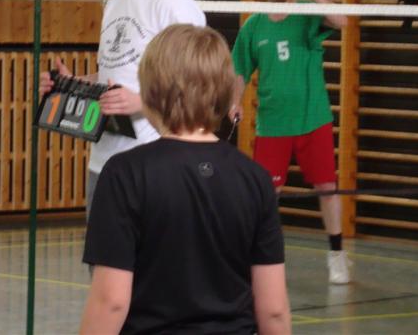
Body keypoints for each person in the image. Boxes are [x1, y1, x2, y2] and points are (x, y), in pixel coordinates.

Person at [80, 24, 290, 335]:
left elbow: (110, 302)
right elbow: (273, 310)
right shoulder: (255, 179)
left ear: (150, 91)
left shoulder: (125, 174)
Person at [39, 0, 206, 212]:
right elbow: (116, 72)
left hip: (154, 160)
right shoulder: (115, 1)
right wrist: (72, 83)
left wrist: (142, 103)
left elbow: (197, 86)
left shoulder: (176, 5)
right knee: (100, 244)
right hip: (103, 160)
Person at [231, 0, 351, 285]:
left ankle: (337, 255)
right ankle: (263, 258)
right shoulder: (253, 26)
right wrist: (234, 101)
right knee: (267, 195)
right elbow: (239, 70)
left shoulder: (307, 12)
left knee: (327, 188)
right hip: (273, 124)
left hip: (313, 118)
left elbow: (342, 21)